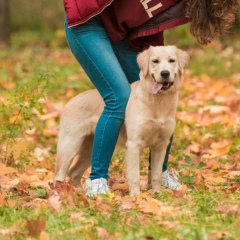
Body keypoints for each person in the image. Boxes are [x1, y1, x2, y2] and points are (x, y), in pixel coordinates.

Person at [62, 0, 238, 196]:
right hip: (88, 23)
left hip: (121, 32)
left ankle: (159, 174)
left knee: (160, 91)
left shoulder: (189, 3)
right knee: (118, 96)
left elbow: (155, 25)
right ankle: (97, 180)